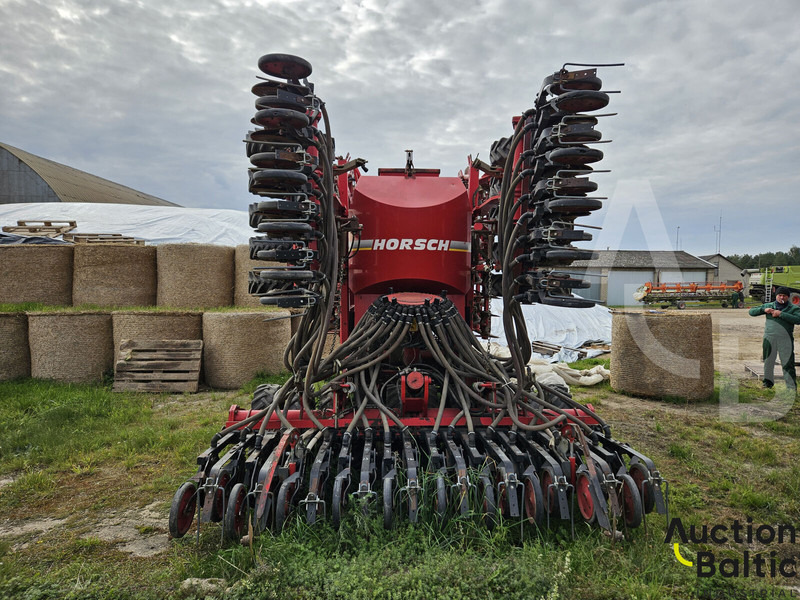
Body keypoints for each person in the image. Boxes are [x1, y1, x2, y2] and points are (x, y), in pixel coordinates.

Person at [749, 286, 800, 392]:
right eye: (779, 295)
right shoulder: (770, 305)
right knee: (768, 361)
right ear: (776, 296)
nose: (782, 297)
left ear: (788, 297)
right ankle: (767, 384)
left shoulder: (793, 308)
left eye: (784, 296)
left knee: (787, 363)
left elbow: (798, 319)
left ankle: (791, 387)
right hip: (769, 338)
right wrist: (763, 309)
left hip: (785, 339)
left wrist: (781, 314)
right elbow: (751, 312)